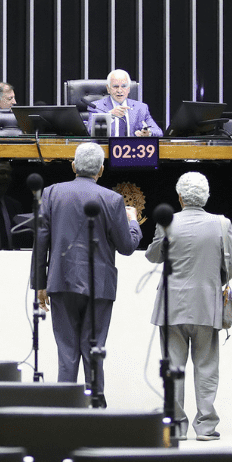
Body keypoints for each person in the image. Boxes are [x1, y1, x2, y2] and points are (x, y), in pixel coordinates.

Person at [34, 142, 142, 393]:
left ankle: (64, 407)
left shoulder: (50, 194)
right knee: (94, 347)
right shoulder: (113, 199)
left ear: (73, 166)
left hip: (60, 281)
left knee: (66, 349)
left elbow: (40, 241)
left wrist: (40, 283)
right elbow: (126, 246)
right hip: (100, 284)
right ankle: (96, 403)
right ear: (101, 170)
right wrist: (134, 222)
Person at [145, 172, 232, 441]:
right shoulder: (222, 224)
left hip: (171, 306)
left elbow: (153, 256)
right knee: (207, 367)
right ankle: (206, 427)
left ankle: (176, 426)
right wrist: (217, 277)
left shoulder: (167, 222)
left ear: (180, 197)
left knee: (173, 368)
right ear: (206, 197)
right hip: (207, 305)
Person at [87, 69, 162, 137]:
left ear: (129, 89)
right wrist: (110, 116)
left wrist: (149, 133)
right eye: (115, 86)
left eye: (123, 86)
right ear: (108, 89)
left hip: (133, 149)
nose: (119, 90)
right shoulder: (96, 107)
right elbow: (90, 133)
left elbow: (158, 132)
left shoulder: (141, 108)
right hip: (107, 149)